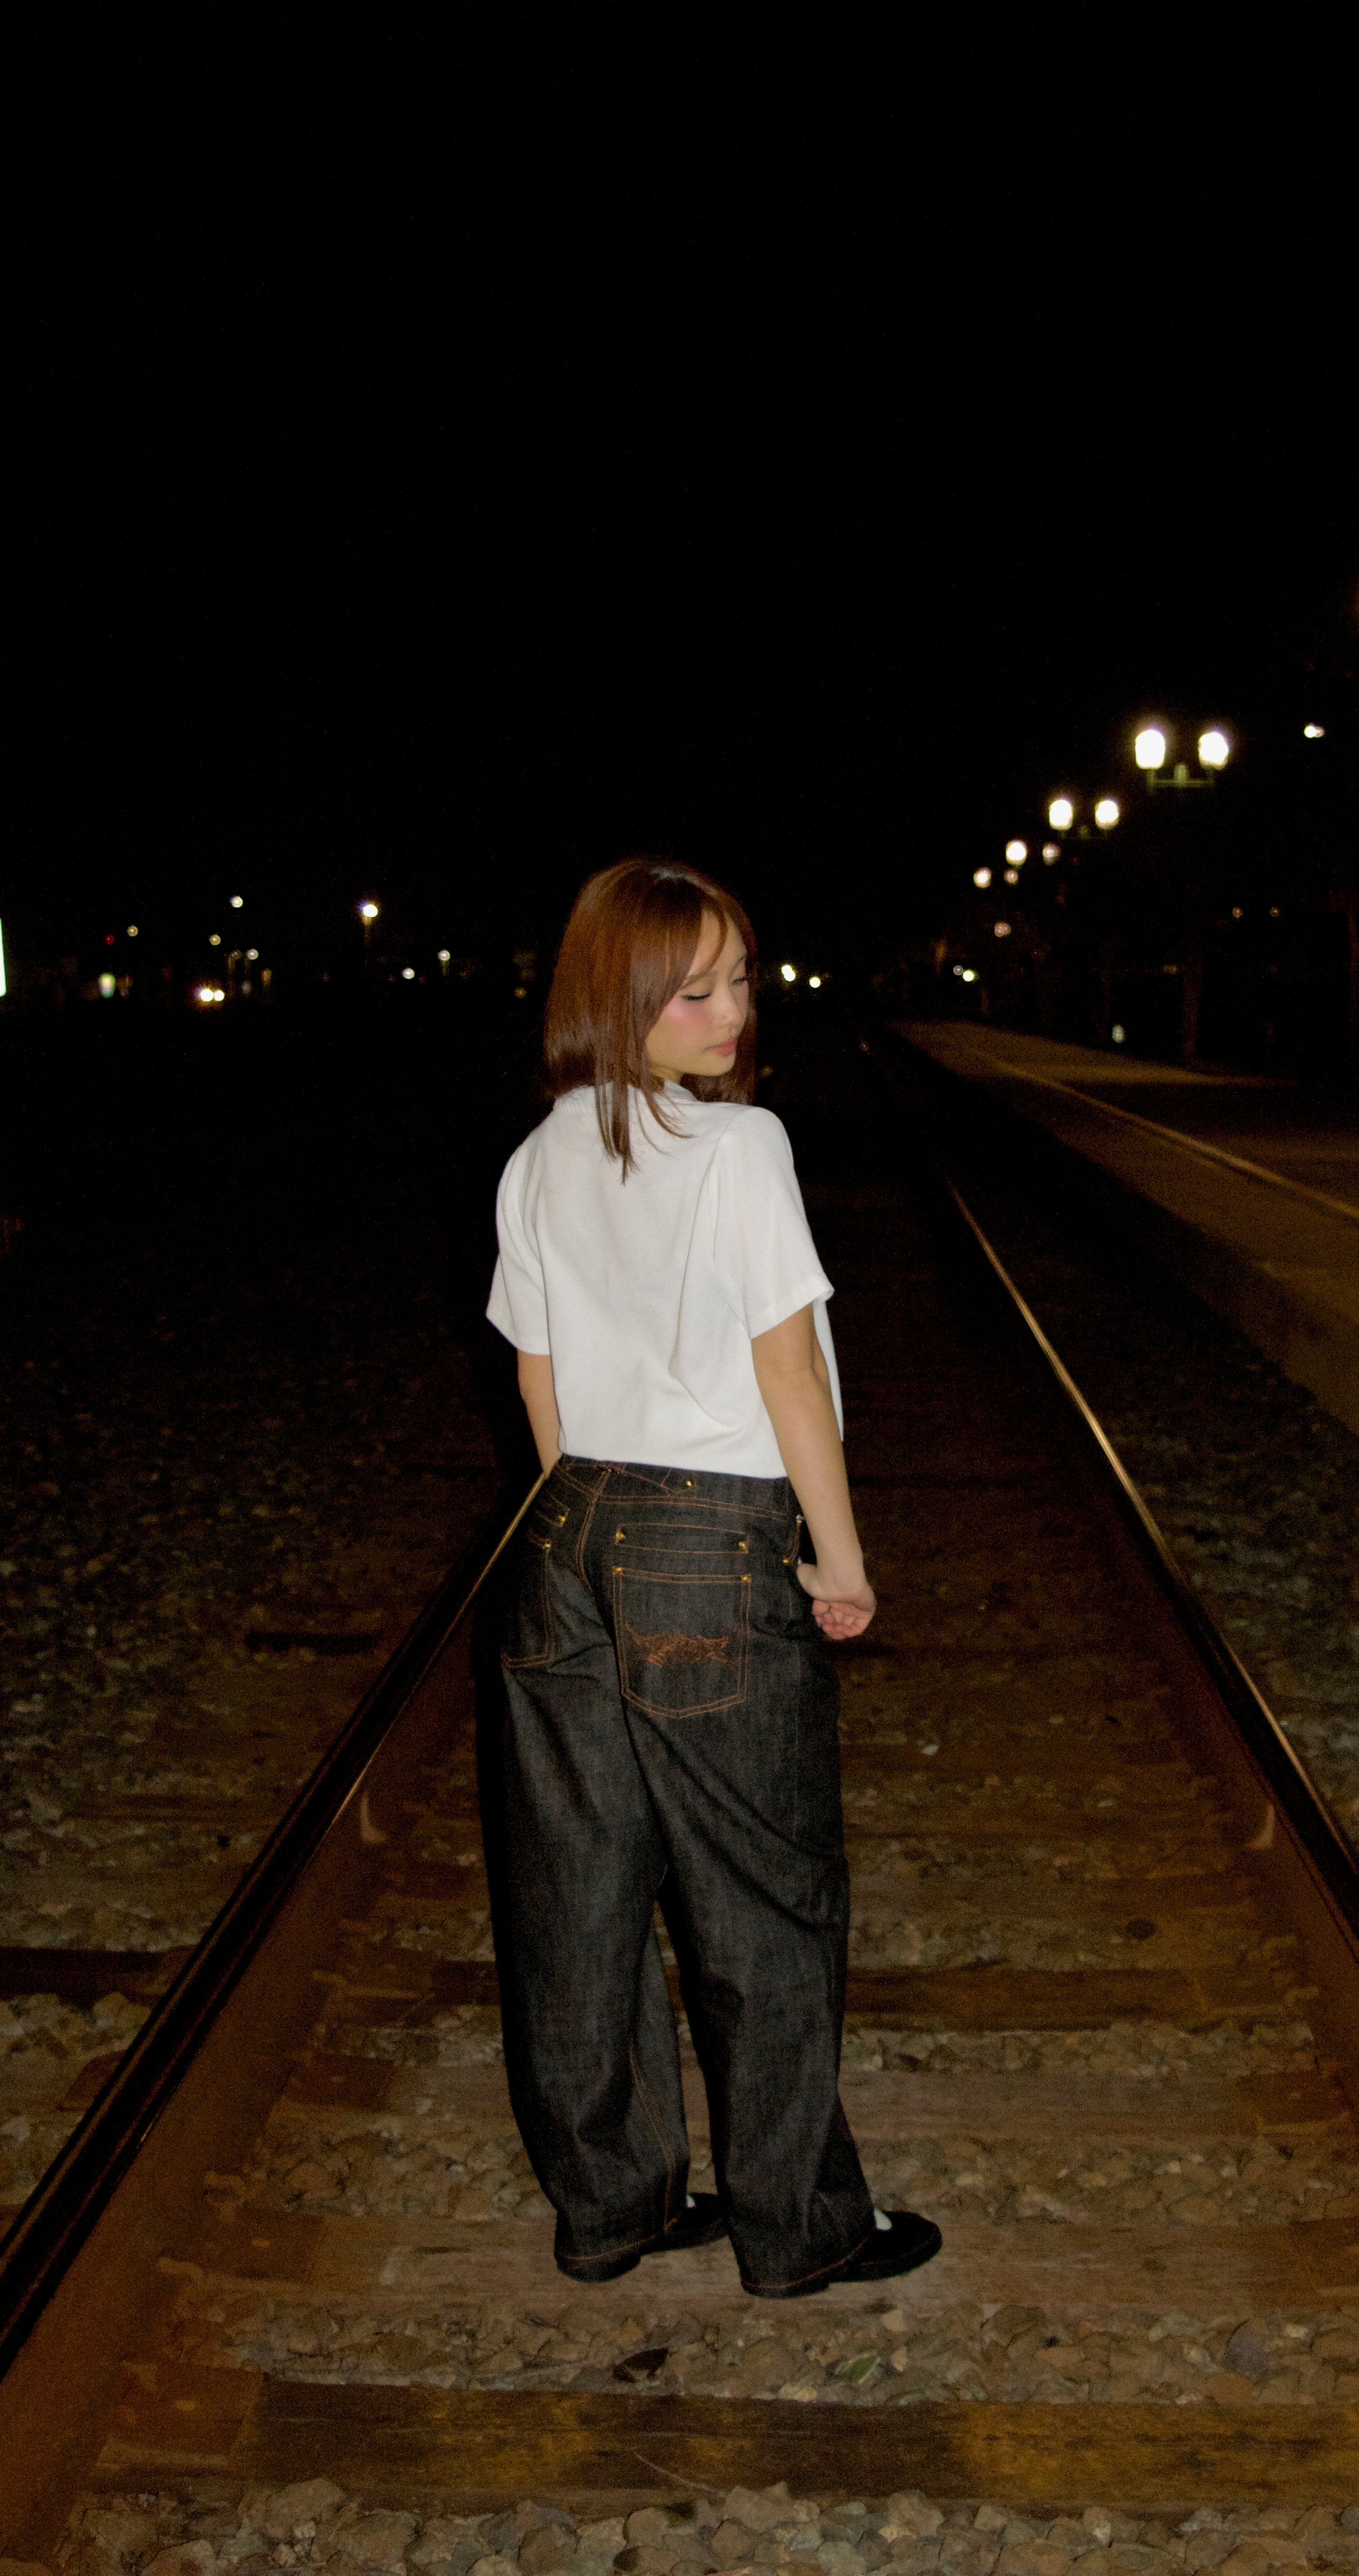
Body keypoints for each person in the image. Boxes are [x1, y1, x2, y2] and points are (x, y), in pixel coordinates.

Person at [481, 857, 941, 2300]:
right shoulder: (742, 1151)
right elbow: (786, 1366)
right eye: (695, 989)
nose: (732, 1011)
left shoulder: (542, 1154)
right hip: (713, 1536)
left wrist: (589, 1525)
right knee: (764, 1898)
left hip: (567, 1534)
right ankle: (798, 2227)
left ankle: (612, 2206)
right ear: (623, 999)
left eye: (741, 978)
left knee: (582, 1894)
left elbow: (539, 1382)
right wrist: (839, 1555)